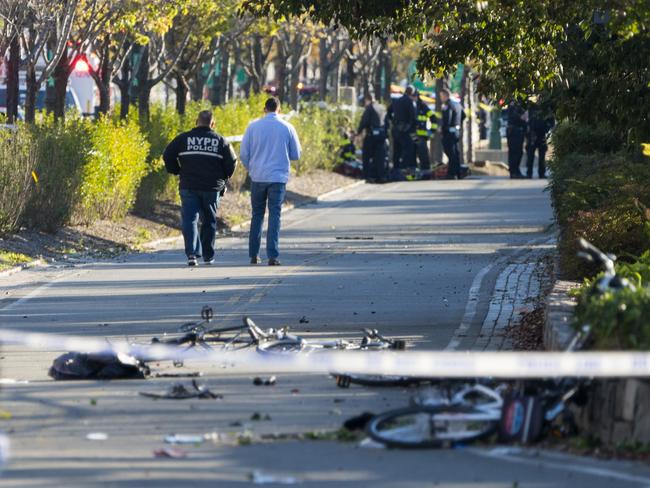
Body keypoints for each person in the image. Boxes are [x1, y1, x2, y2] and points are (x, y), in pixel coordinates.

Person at [163, 110, 237, 266]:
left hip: (189, 185)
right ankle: (208, 256)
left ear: (196, 122)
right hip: (211, 188)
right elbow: (232, 162)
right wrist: (223, 178)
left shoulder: (183, 139)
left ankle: (192, 254)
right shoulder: (220, 141)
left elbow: (168, 155)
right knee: (209, 220)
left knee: (190, 219)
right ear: (213, 124)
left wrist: (176, 170)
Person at [240, 97, 301, 266]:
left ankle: (253, 254)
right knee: (275, 214)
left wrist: (251, 168)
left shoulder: (253, 127)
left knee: (257, 214)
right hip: (277, 178)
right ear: (279, 109)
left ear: (264, 108)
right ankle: (272, 255)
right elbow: (296, 154)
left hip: (258, 176)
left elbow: (244, 153)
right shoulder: (288, 127)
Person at [357, 92, 387, 182]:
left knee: (366, 155)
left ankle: (366, 176)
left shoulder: (369, 108)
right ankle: (381, 176)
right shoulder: (382, 108)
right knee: (380, 157)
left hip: (371, 135)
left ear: (367, 100)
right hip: (381, 135)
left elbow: (364, 122)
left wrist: (358, 132)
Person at [387, 85, 417, 170]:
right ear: (411, 93)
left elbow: (388, 111)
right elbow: (413, 117)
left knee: (396, 150)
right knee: (408, 149)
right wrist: (411, 127)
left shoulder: (396, 100)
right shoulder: (410, 102)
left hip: (396, 129)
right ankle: (404, 168)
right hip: (405, 130)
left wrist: (393, 121)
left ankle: (396, 169)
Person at [439, 88, 463, 179]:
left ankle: (452, 173)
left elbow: (447, 119)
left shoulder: (447, 105)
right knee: (455, 152)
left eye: (442, 96)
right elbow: (463, 115)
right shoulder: (457, 104)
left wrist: (442, 128)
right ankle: (457, 172)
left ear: (446, 95)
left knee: (450, 152)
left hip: (449, 132)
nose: (441, 98)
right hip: (456, 131)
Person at [525, 103, 554, 178]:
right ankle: (529, 173)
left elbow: (551, 121)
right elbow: (526, 119)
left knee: (542, 155)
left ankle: (541, 173)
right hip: (532, 134)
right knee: (530, 155)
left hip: (542, 134)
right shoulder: (531, 107)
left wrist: (547, 128)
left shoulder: (546, 107)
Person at [414, 92, 437, 170]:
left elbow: (433, 118)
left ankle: (425, 171)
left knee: (423, 155)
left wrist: (431, 132)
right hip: (412, 135)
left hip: (422, 136)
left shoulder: (423, 106)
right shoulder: (409, 105)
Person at [506, 101, 527, 179]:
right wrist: (522, 117)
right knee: (514, 152)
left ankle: (515, 171)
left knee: (519, 152)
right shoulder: (512, 105)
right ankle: (514, 172)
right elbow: (515, 117)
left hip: (518, 132)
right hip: (514, 132)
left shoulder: (520, 105)